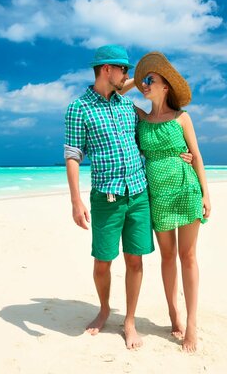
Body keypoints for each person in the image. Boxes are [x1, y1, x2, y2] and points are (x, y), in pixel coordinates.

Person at [63, 45, 191, 350]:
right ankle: (105, 309)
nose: (129, 75)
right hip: (105, 196)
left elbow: (152, 138)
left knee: (135, 260)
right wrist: (75, 201)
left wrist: (177, 156)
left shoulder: (125, 106)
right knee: (103, 262)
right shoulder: (78, 109)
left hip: (138, 193)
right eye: (124, 69)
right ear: (107, 69)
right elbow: (72, 155)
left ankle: (129, 320)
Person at [127, 51, 211, 353]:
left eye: (151, 80)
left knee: (188, 257)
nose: (145, 85)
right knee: (166, 256)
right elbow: (112, 91)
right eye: (144, 81)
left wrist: (206, 194)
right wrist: (137, 81)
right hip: (158, 195)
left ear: (166, 86)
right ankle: (173, 313)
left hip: (185, 190)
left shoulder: (182, 118)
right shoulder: (141, 118)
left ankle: (191, 322)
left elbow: (197, 156)